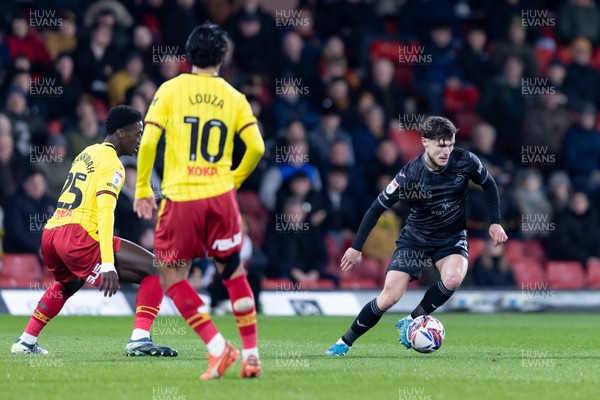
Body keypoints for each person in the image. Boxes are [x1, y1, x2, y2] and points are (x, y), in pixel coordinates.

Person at [134, 22, 265, 380]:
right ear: (223, 57)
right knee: (234, 273)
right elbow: (257, 148)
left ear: (188, 55)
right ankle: (252, 357)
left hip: (182, 199)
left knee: (172, 276)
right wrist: (232, 180)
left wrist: (143, 187)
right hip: (221, 198)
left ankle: (218, 348)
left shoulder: (170, 89)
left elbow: (147, 143)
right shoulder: (235, 97)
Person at [324, 116, 507, 356]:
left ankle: (413, 319)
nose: (447, 151)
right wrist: (356, 248)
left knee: (453, 279)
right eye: (441, 145)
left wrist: (495, 223)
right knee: (388, 298)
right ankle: (344, 342)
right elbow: (376, 208)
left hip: (450, 238)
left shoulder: (465, 160)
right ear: (425, 142)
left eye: (450, 144)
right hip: (415, 240)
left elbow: (489, 184)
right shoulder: (410, 174)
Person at [11, 105, 177, 358]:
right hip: (79, 236)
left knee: (69, 283)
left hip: (52, 234)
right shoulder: (114, 166)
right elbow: (105, 212)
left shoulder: (87, 152)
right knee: (156, 268)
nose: (139, 140)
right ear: (121, 133)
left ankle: (26, 341)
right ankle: (140, 339)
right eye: (137, 133)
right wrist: (108, 264)